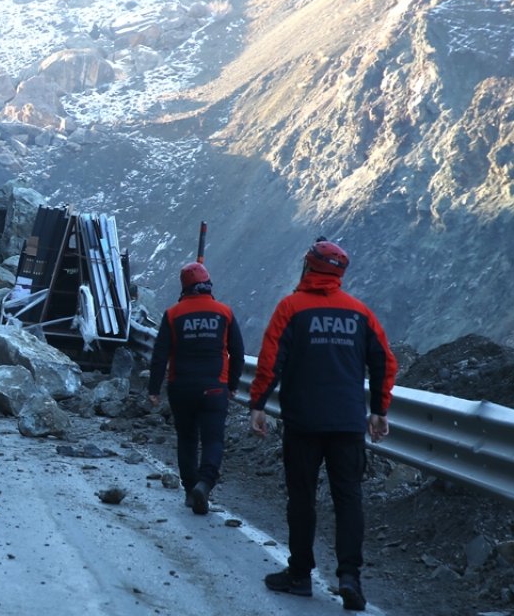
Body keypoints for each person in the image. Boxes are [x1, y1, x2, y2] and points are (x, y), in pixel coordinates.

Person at [247, 238, 397, 612]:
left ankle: (299, 574)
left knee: (302, 497)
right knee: (349, 499)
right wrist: (379, 409)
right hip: (347, 423)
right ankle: (350, 578)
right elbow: (385, 361)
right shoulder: (360, 313)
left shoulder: (291, 308)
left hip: (304, 421)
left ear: (309, 267)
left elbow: (270, 361)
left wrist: (258, 405)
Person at [147, 262, 245, 515]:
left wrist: (154, 389)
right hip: (215, 388)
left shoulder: (173, 314)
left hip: (181, 388)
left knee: (187, 438)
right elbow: (238, 352)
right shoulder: (224, 313)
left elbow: (160, 355)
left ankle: (191, 489)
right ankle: (205, 482)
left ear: (184, 287)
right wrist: (232, 385)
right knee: (213, 439)